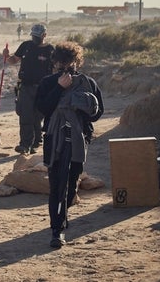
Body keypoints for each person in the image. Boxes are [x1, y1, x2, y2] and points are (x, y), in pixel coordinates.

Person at [36, 41, 103, 249]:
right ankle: (57, 230)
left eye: (69, 61)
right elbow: (42, 108)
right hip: (54, 138)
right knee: (56, 185)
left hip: (78, 139)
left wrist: (79, 103)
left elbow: (97, 114)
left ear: (77, 62)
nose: (65, 66)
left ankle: (62, 216)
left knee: (71, 183)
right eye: (61, 62)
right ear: (55, 62)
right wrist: (59, 88)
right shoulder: (49, 82)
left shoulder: (88, 83)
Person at [4, 23, 54, 154]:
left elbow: (56, 68)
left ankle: (36, 142)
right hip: (26, 86)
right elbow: (13, 60)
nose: (35, 38)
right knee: (25, 115)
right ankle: (25, 145)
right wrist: (6, 56)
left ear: (44, 35)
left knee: (38, 116)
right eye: (33, 36)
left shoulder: (50, 50)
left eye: (37, 36)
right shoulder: (26, 46)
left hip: (44, 89)